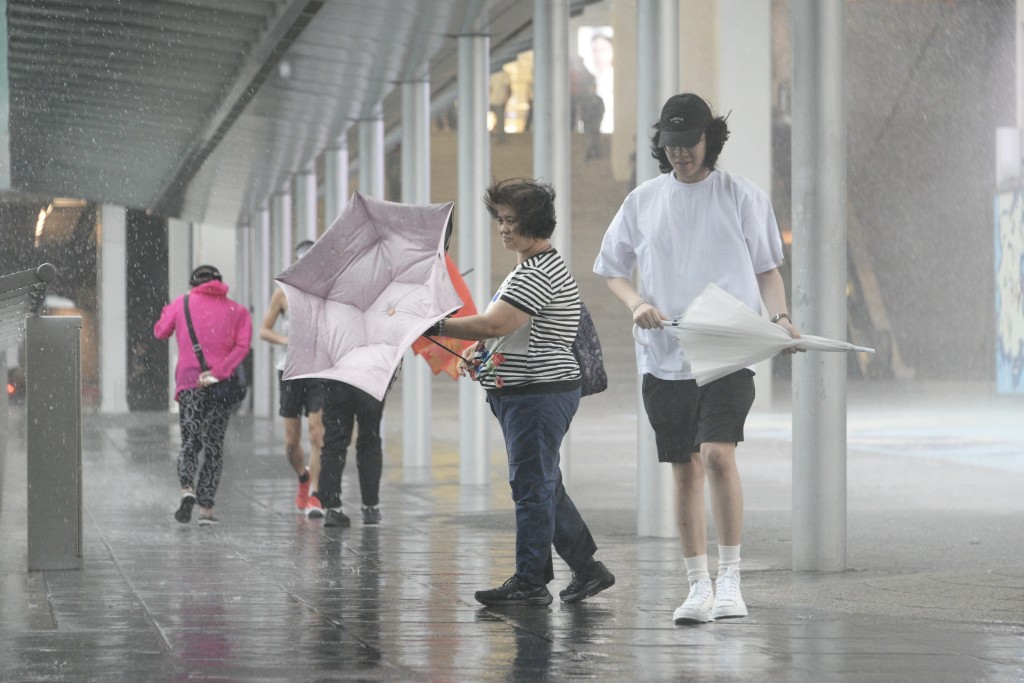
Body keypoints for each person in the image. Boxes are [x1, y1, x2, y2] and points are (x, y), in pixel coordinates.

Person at [593, 93, 801, 625]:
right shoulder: (642, 200)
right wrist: (636, 302)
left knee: (717, 456)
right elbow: (612, 268)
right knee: (683, 470)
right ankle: (697, 586)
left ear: (710, 139)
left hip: (728, 347)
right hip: (664, 355)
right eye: (672, 145)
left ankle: (730, 580)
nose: (681, 154)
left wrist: (779, 322)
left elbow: (766, 271)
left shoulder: (741, 195)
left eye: (689, 143)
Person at [426, 178, 615, 607]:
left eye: (511, 221)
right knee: (546, 485)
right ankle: (587, 569)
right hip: (528, 392)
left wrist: (432, 324)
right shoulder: (527, 269)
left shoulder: (537, 272)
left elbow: (495, 323)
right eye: (500, 220)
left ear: (534, 223)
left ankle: (531, 583)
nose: (503, 229)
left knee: (531, 486)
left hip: (538, 395)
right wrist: (479, 350)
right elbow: (510, 332)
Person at [154, 265, 252, 526]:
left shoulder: (181, 303)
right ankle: (206, 508)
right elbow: (243, 347)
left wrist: (169, 311)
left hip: (189, 384)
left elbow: (160, 331)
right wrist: (218, 371)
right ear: (220, 282)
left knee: (190, 439)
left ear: (192, 283)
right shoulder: (238, 311)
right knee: (214, 445)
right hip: (219, 384)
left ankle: (187, 489)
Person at [259, 240, 326, 518]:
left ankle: (315, 494)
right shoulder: (282, 294)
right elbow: (264, 330)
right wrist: (286, 339)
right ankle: (302, 476)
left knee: (317, 434)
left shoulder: (326, 293)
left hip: (317, 369)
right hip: (288, 369)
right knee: (291, 441)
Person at [317, 379, 386, 527]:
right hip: (370, 381)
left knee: (334, 443)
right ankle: (370, 506)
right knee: (370, 441)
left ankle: (333, 508)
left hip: (336, 381)